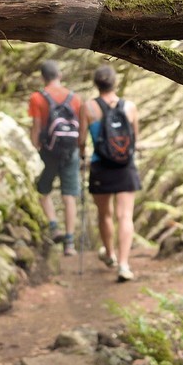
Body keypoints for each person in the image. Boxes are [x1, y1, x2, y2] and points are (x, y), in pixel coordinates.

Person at [79, 63, 140, 281]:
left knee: (104, 214)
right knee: (125, 216)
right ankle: (124, 265)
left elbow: (81, 141)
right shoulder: (130, 107)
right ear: (115, 83)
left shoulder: (88, 108)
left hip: (101, 166)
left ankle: (111, 255)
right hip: (125, 166)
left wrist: (82, 157)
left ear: (96, 85)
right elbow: (134, 139)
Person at [28, 59, 83, 255]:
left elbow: (36, 127)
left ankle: (54, 227)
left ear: (43, 78)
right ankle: (70, 243)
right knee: (69, 196)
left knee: (43, 191)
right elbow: (80, 127)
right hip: (71, 151)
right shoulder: (75, 98)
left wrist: (34, 150)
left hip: (47, 153)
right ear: (59, 75)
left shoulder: (37, 98)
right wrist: (81, 149)